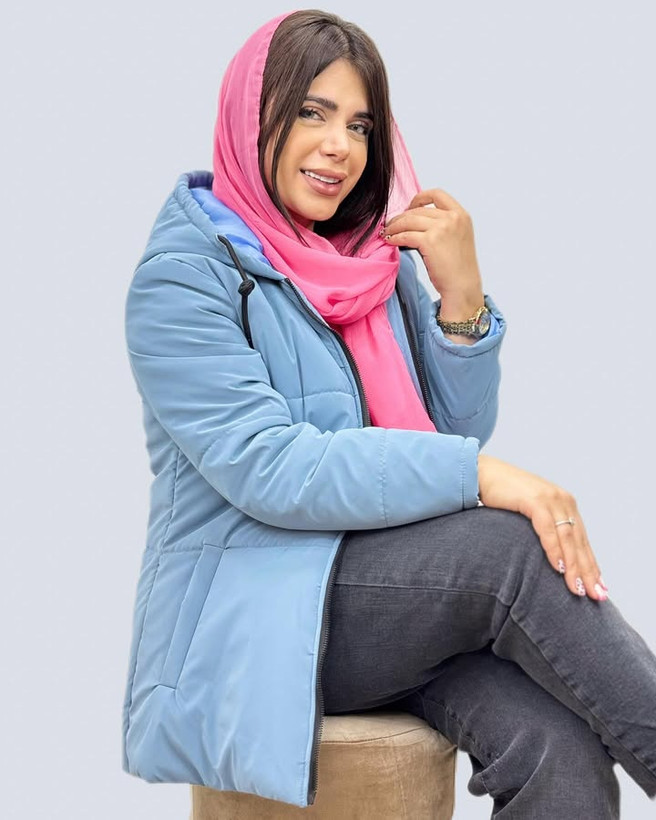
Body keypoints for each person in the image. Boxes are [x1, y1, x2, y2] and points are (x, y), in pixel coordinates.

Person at [121, 9, 656, 818]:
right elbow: (272, 467)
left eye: (361, 125)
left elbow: (448, 435)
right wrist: (485, 478)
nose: (340, 145)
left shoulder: (369, 264)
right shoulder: (184, 277)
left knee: (558, 748)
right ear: (250, 115)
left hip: (384, 593)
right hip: (260, 616)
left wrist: (462, 297)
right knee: (509, 548)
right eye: (312, 112)